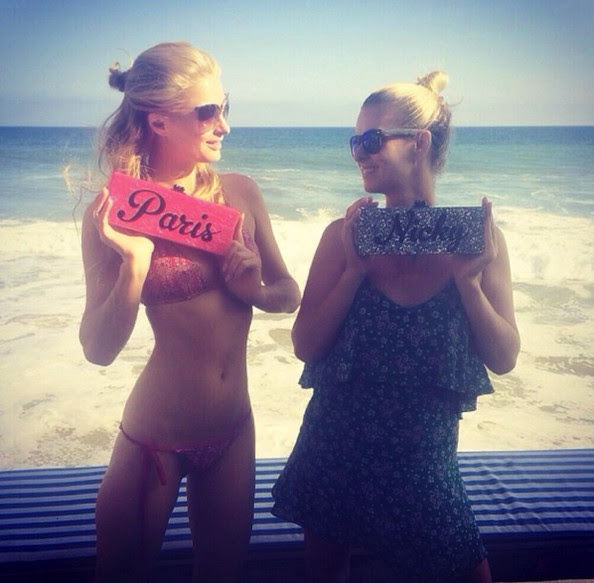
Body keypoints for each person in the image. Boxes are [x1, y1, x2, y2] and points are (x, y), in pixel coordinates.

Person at [272, 71, 520, 583]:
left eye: (370, 140)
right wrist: (352, 271)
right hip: (333, 454)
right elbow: (305, 345)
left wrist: (469, 284)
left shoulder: (476, 241)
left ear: (419, 143)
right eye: (353, 143)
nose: (358, 154)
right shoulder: (342, 237)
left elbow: (504, 357)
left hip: (424, 467)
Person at [80, 41, 301, 583]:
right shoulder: (115, 211)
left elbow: (288, 292)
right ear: (158, 120)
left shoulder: (239, 193)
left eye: (225, 107)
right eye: (207, 112)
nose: (223, 125)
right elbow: (98, 350)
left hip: (234, 428)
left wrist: (254, 290)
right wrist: (134, 266)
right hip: (157, 438)